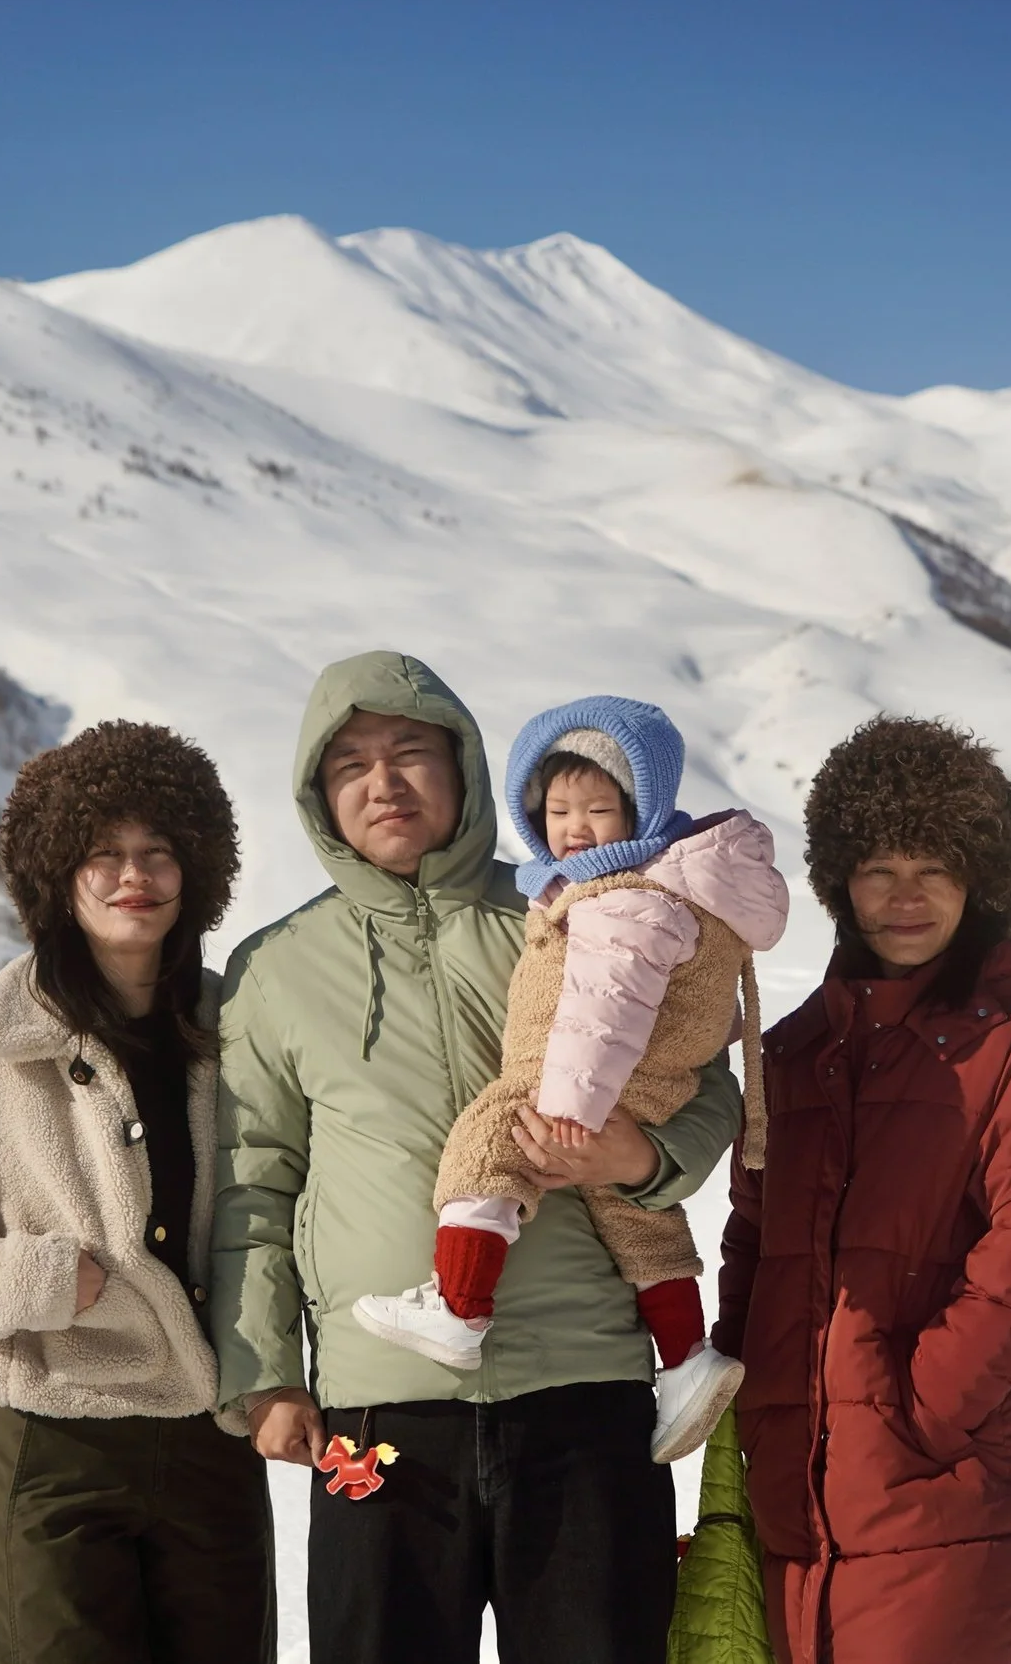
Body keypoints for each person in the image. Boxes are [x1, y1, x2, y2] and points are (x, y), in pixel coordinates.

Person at [209, 652, 745, 1664]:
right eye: (351, 764)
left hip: (583, 1388)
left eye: (411, 750)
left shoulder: (574, 910)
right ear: (319, 797)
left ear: (463, 769)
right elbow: (253, 1183)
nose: (384, 781)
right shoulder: (274, 969)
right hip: (381, 1409)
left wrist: (644, 1154)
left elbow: (699, 1072)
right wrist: (266, 1370)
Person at [714, 715, 1011, 1664]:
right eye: (877, 867)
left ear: (979, 878)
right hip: (793, 1509)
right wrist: (740, 1390)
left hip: (946, 1498)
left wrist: (922, 1404)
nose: (904, 897)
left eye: (933, 866)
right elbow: (751, 1240)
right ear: (840, 880)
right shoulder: (792, 1053)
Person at [0, 721, 273, 1664]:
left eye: (158, 851)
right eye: (103, 852)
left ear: (197, 869)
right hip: (58, 1446)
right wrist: (49, 1278)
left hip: (209, 1442)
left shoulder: (241, 1034)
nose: (133, 873)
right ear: (58, 872)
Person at [350, 695, 788, 1465]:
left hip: (579, 1086)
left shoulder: (620, 898)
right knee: (639, 1225)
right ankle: (687, 1358)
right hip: (643, 1085)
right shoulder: (659, 886)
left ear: (643, 809)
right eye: (558, 810)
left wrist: (569, 1115)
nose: (576, 827)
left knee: (488, 1143)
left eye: (598, 808)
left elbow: (600, 1013)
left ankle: (459, 1304)